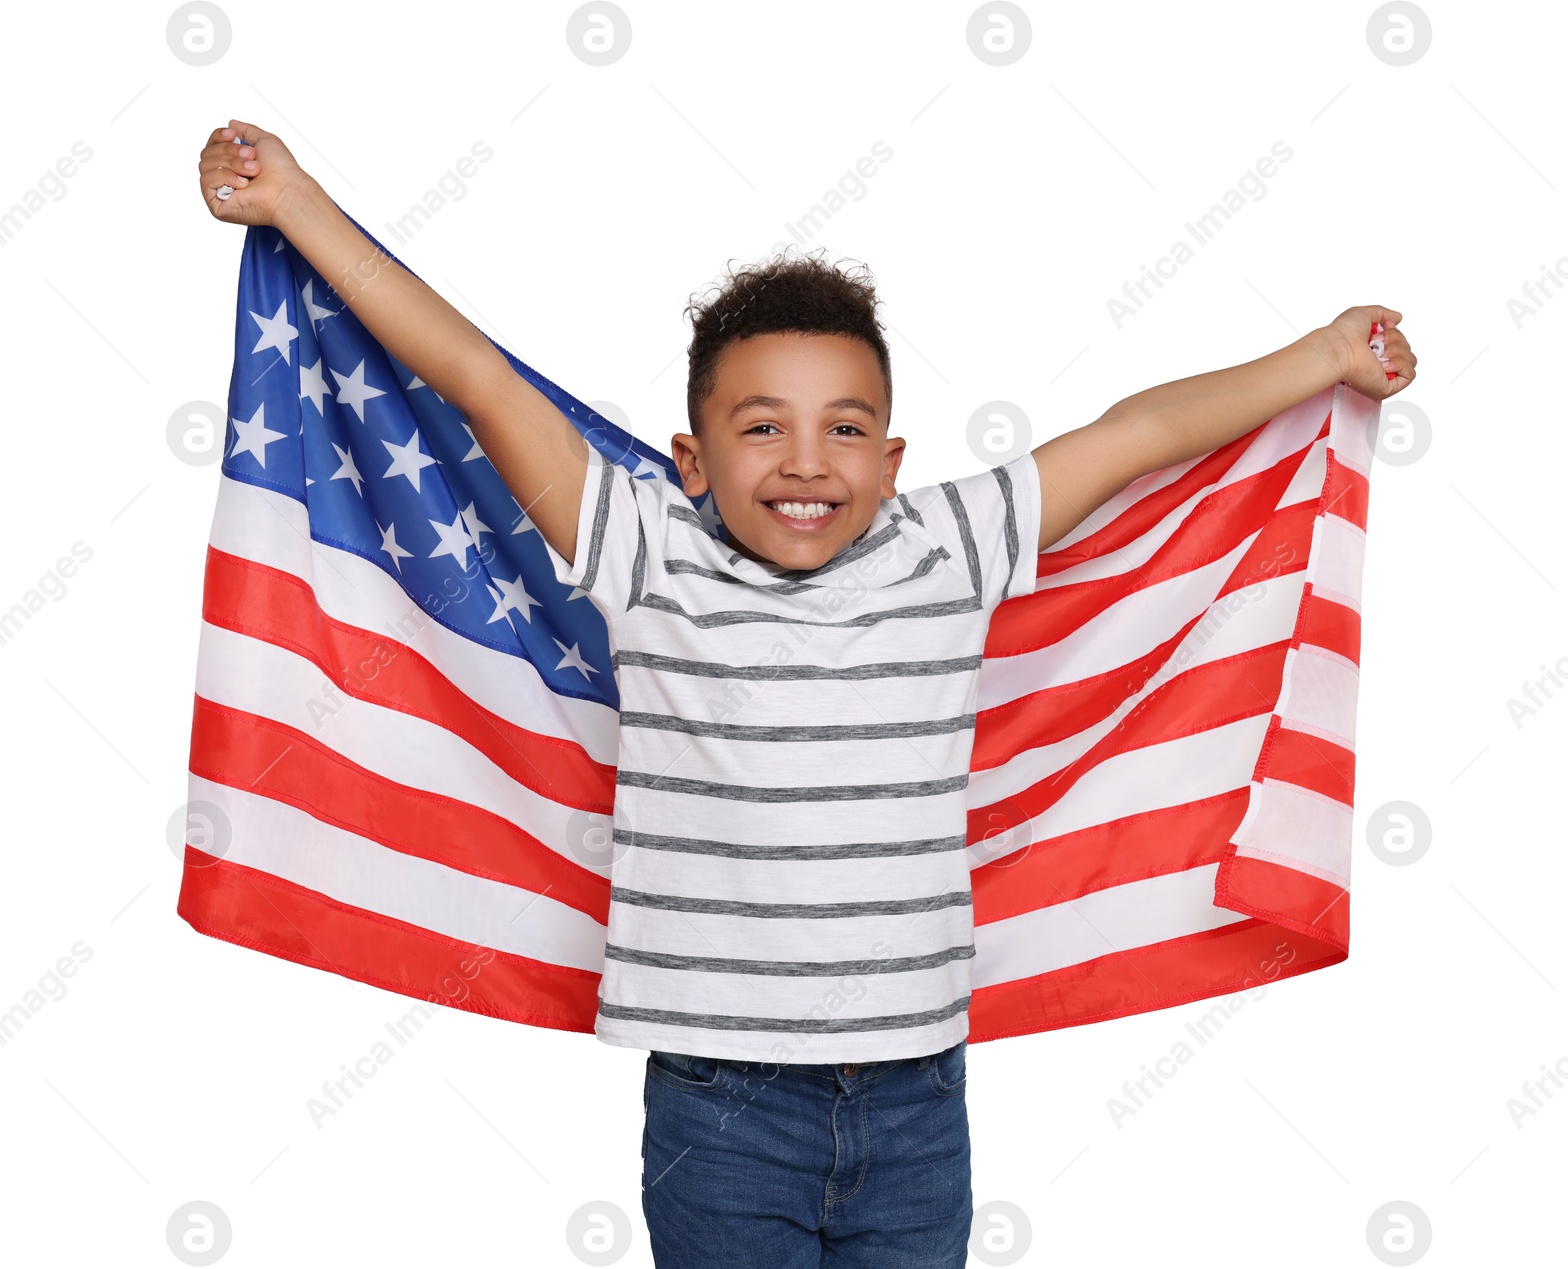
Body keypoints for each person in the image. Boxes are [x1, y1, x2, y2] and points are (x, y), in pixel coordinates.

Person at [196, 118, 1416, 1267]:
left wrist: (1321, 354)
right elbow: (478, 377)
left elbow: (1137, 432)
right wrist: (295, 201)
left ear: (891, 461)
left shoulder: (951, 546)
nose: (803, 464)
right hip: (720, 1110)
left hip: (917, 1099)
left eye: (844, 431)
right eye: (761, 427)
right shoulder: (647, 553)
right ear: (691, 458)